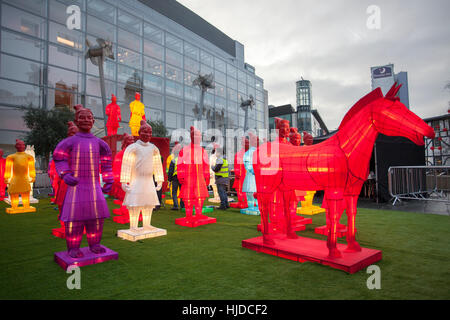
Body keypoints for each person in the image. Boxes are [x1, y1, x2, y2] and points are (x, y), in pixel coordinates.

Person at [53, 104, 113, 258]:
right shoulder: (69, 142)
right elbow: (59, 157)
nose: (86, 120)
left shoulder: (100, 143)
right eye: (82, 118)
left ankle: (95, 244)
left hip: (94, 188)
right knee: (74, 219)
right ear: (76, 120)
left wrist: (108, 179)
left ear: (93, 121)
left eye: (89, 118)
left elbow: (106, 161)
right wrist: (65, 174)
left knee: (96, 219)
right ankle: (73, 247)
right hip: (76, 188)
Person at [120, 120, 164, 231]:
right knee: (135, 203)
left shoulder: (154, 148)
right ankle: (133, 226)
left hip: (149, 181)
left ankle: (147, 224)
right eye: (145, 132)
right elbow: (126, 165)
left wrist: (159, 180)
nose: (148, 134)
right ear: (140, 133)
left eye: (150, 132)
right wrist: (124, 181)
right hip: (137, 181)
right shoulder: (133, 148)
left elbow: (158, 165)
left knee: (148, 204)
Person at [4, 139, 36, 213]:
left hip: (24, 178)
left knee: (25, 193)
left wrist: (33, 176)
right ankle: (14, 206)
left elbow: (31, 167)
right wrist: (7, 177)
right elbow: (8, 168)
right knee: (14, 193)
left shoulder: (29, 157)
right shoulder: (11, 157)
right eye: (19, 145)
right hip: (15, 178)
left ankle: (26, 206)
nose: (21, 146)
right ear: (16, 146)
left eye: (23, 145)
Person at [167, 143, 183, 210]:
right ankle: (183, 206)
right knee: (182, 192)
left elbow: (170, 171)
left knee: (174, 192)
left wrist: (169, 180)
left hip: (175, 178)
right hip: (183, 178)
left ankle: (176, 206)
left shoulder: (173, 160)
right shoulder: (184, 160)